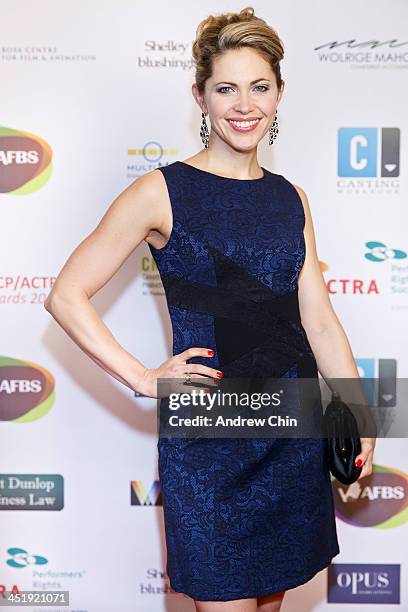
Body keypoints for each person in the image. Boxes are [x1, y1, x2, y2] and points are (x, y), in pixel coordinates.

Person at [44, 6, 376, 612]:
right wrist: (144, 377)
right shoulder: (161, 191)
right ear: (199, 95)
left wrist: (360, 412)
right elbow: (66, 294)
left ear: (279, 94)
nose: (243, 105)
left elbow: (319, 319)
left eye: (259, 87)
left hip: (290, 433)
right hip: (209, 446)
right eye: (226, 88)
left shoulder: (289, 198)